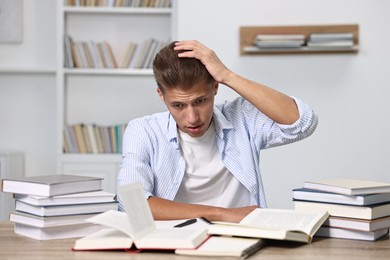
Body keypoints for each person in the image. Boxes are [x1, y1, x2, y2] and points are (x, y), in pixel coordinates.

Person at [117, 40, 318, 223]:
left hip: (242, 237)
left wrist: (227, 75)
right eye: (178, 105)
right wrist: (220, 214)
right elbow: (132, 204)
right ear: (161, 95)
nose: (192, 118)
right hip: (177, 242)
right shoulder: (143, 131)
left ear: (215, 87)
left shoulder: (241, 117)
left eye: (200, 101)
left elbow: (302, 123)